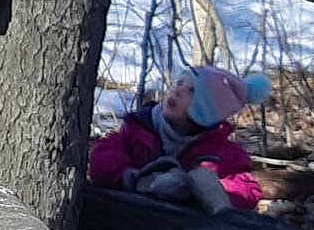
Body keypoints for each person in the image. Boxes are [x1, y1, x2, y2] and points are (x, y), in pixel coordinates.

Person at [88, 65, 269, 214]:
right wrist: (130, 176)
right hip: (130, 222)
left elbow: (249, 190)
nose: (178, 90)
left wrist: (211, 190)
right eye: (179, 83)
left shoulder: (222, 152)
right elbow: (101, 156)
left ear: (206, 112)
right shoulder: (138, 128)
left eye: (191, 91)